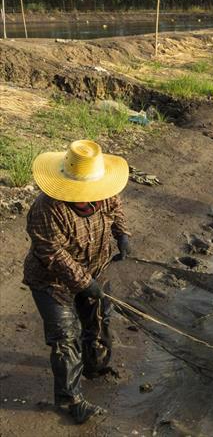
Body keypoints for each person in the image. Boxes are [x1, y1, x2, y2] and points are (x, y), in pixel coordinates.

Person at [22, 140, 131, 424]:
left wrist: (122, 234)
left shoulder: (105, 192)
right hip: (51, 282)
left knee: (99, 319)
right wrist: (85, 282)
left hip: (96, 267)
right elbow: (52, 253)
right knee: (65, 337)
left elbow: (115, 209)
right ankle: (71, 400)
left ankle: (95, 367)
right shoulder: (46, 209)